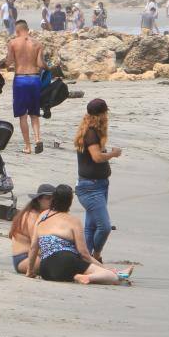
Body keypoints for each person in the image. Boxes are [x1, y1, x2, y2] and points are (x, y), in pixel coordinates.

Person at [26, 185, 132, 285]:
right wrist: (104, 268)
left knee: (90, 269)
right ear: (70, 202)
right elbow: (84, 254)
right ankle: (101, 276)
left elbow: (34, 246)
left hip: (46, 270)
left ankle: (118, 273)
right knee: (110, 276)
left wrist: (29, 271)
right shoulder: (73, 221)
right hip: (66, 261)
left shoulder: (43, 216)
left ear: (54, 199)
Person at [74, 98, 120, 260]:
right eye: (106, 113)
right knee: (104, 226)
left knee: (91, 226)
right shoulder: (91, 133)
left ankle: (84, 258)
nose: (107, 116)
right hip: (90, 187)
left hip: (99, 185)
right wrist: (113, 154)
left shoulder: (92, 130)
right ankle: (96, 256)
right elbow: (97, 157)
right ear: (101, 114)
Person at [7, 20, 44, 155]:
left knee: (22, 115)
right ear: (28, 29)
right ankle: (38, 139)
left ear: (17, 31)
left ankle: (28, 146)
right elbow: (40, 63)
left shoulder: (13, 43)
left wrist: (6, 62)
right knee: (34, 113)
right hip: (35, 79)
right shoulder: (38, 44)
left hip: (21, 79)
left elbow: (9, 62)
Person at [10, 184, 55, 274]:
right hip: (24, 258)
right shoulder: (31, 216)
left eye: (53, 199)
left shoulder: (40, 214)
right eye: (48, 198)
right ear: (39, 199)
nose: (51, 202)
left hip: (31, 257)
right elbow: (36, 244)